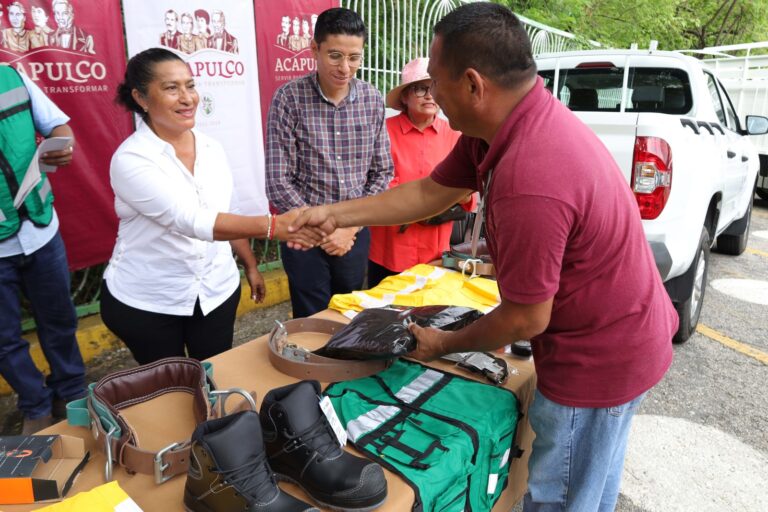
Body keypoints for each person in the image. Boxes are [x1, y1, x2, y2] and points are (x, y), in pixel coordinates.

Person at [288, 3, 677, 511]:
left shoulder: (530, 173)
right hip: (619, 336)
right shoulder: (503, 123)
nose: (433, 94)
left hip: (600, 363)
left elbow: (526, 316)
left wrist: (444, 343)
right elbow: (428, 193)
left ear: (473, 85)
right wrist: (337, 214)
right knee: (589, 487)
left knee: (561, 499)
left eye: (438, 82)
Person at [103, 48, 319, 366]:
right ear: (141, 98)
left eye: (190, 85)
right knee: (168, 387)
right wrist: (274, 226)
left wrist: (250, 265)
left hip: (216, 292)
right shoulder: (132, 159)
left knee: (212, 375)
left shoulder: (211, 148)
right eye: (171, 88)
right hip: (150, 301)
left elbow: (226, 211)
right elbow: (190, 219)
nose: (188, 98)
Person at [265, 7, 393, 318]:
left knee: (349, 315)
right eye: (335, 55)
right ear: (315, 49)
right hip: (303, 235)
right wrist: (323, 228)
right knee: (311, 322)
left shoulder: (372, 98)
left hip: (352, 236)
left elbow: (382, 171)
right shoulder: (288, 98)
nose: (345, 67)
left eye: (354, 57)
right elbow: (278, 181)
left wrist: (349, 225)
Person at [0, 65, 84, 435]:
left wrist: (62, 146)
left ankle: (72, 391)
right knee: (3, 338)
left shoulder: (11, 77)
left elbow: (58, 128)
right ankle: (35, 405)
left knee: (60, 321)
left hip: (40, 228)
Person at [368, 57, 472, 287]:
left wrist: (455, 195)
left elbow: (468, 192)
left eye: (434, 87)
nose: (429, 95)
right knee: (384, 311)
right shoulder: (384, 132)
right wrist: (421, 206)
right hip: (390, 247)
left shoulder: (455, 135)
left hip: (434, 249)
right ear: (404, 96)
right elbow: (377, 182)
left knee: (427, 311)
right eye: (419, 89)